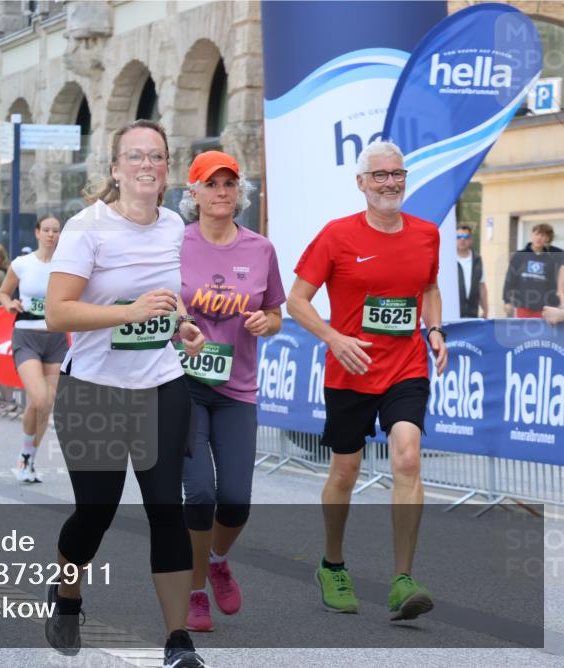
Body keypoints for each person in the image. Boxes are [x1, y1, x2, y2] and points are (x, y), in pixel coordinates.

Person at [44, 119, 207, 668]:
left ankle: (178, 641)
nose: (146, 164)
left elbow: (166, 300)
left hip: (160, 385)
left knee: (168, 507)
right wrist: (129, 313)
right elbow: (58, 311)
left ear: (166, 171)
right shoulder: (85, 228)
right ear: (115, 169)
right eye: (134, 156)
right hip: (92, 391)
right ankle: (67, 593)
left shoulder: (174, 228)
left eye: (156, 156)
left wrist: (179, 323)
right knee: (96, 512)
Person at [286, 140, 447, 621]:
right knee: (345, 472)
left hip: (405, 366)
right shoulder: (337, 236)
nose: (390, 183)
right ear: (361, 183)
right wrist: (334, 338)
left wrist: (433, 329)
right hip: (350, 370)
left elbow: (431, 287)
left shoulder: (426, 234)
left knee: (407, 455)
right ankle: (332, 564)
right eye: (380, 175)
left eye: (397, 174)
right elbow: (296, 300)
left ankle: (403, 579)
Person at [177, 151, 285, 632]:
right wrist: (179, 325)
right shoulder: (174, 243)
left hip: (237, 388)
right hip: (183, 385)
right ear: (194, 192)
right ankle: (195, 589)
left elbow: (276, 313)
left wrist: (268, 322)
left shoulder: (260, 249)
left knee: (236, 499)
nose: (222, 192)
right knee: (199, 493)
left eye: (229, 183)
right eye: (212, 184)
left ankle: (218, 559)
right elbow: (155, 300)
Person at [0, 216, 68, 482]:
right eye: (46, 230)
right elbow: (4, 292)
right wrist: (8, 304)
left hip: (56, 338)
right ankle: (25, 456)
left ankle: (28, 457)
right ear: (37, 233)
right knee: (38, 398)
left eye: (56, 231)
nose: (51, 235)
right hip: (26, 337)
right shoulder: (22, 263)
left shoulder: (67, 265)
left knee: (47, 404)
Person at [503, 222, 563, 318]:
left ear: (547, 239)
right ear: (531, 235)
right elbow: (509, 280)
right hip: (523, 306)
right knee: (523, 332)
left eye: (543, 235)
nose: (539, 238)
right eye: (536, 234)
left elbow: (553, 283)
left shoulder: (551, 258)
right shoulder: (519, 256)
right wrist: (507, 301)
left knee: (543, 333)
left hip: (544, 308)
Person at [455, 225, 488, 318]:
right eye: (458, 237)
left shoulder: (477, 260)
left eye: (466, 237)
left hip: (472, 313)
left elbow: (482, 286)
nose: (462, 239)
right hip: (452, 314)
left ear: (471, 240)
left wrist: (485, 310)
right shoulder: (448, 259)